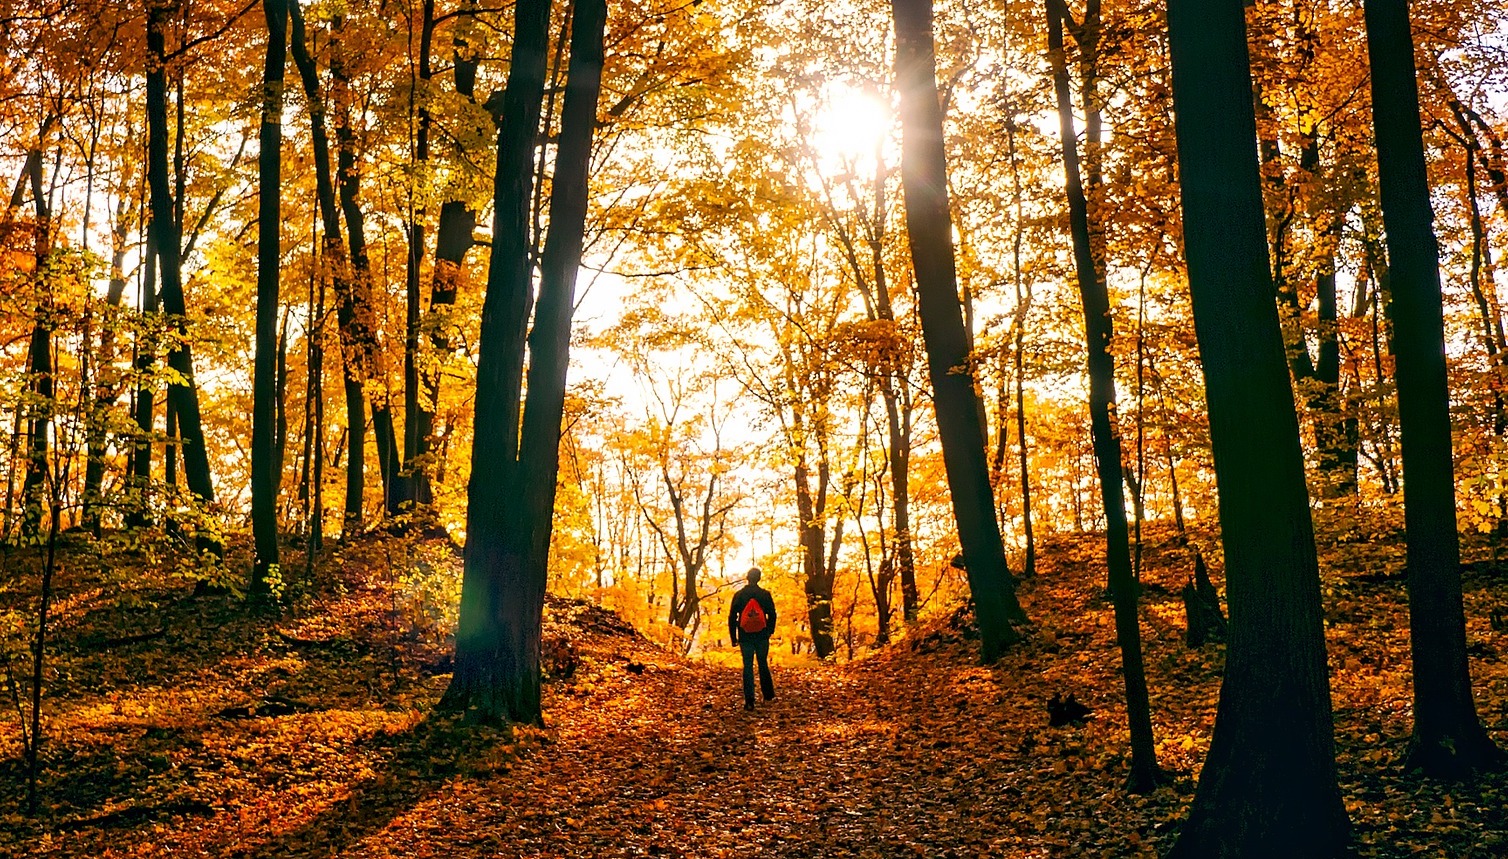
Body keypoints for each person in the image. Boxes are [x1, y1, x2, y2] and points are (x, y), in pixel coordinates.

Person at [728, 566, 777, 710]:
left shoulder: (739, 595)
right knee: (762, 663)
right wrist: (769, 631)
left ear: (747, 578)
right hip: (762, 635)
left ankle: (749, 700)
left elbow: (732, 617)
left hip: (745, 636)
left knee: (748, 666)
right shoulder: (765, 595)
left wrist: (733, 637)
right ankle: (768, 695)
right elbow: (772, 614)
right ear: (759, 578)